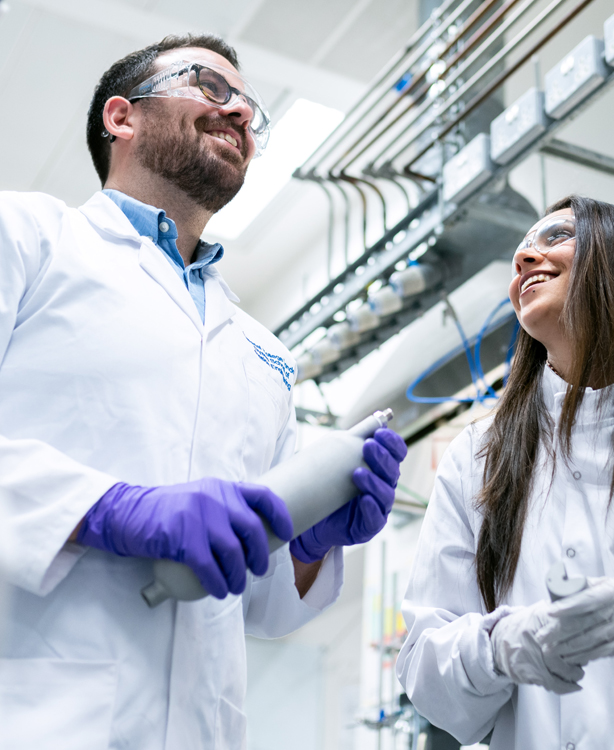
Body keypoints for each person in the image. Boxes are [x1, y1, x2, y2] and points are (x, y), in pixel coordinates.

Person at [0, 34, 407, 750]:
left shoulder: (264, 355)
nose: (242, 114)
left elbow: (259, 605)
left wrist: (304, 541)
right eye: (210, 88)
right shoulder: (28, 237)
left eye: (250, 106)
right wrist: (108, 510)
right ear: (121, 117)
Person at [396, 195, 614, 750]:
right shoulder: (478, 456)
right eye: (520, 251)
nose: (525, 259)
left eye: (555, 237)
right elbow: (424, 671)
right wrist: (499, 647)